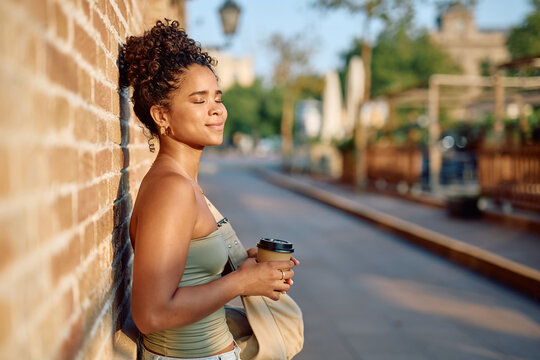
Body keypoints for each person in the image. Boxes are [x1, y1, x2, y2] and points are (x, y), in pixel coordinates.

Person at [119, 19, 299, 360]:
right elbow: (151, 314)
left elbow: (186, 277)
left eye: (217, 97)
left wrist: (249, 269)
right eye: (199, 101)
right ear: (161, 116)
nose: (217, 109)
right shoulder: (171, 189)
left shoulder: (183, 182)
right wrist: (243, 284)